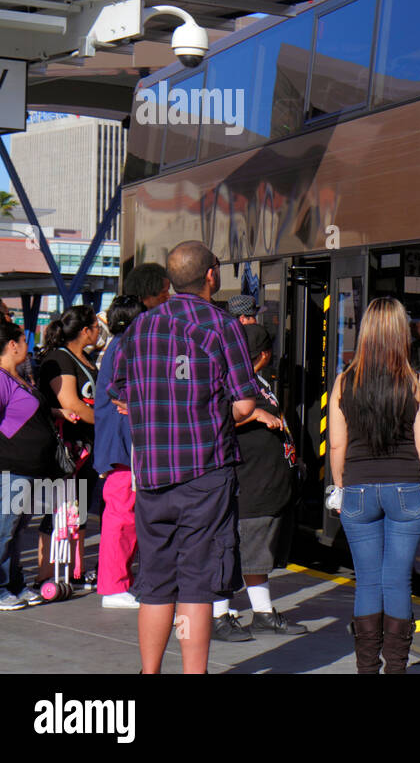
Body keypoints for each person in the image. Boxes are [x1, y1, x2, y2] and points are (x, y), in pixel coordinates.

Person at [107, 241, 263, 674]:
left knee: (155, 583)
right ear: (212, 275)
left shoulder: (139, 328)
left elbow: (119, 392)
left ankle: (149, 671)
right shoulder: (221, 326)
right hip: (205, 471)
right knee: (196, 583)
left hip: (153, 473)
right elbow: (246, 403)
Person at [328, 296, 420, 674]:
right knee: (397, 581)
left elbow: (338, 444)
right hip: (407, 491)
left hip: (358, 490)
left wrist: (341, 487)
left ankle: (366, 669)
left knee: (367, 583)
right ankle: (396, 668)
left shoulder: (344, 382)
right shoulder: (416, 382)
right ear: (400, 334)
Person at [212, 321, 307, 640]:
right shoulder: (231, 385)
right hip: (248, 487)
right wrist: (254, 415)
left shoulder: (257, 381)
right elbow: (215, 418)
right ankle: (218, 615)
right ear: (265, 354)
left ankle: (263, 613)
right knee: (234, 552)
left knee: (257, 554)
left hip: (265, 488)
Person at [0, 321, 58, 610]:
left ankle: (13, 584)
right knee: (3, 528)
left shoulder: (18, 378)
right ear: (12, 345)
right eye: (23, 340)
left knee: (14, 530)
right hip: (6, 468)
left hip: (24, 469)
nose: (28, 346)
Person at [37, 305, 102, 590]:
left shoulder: (86, 358)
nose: (100, 330)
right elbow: (70, 403)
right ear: (84, 330)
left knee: (80, 508)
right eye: (96, 326)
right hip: (66, 447)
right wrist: (106, 422)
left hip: (87, 446)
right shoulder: (59, 358)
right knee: (58, 509)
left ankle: (78, 569)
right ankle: (44, 573)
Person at [93, 295, 146, 609]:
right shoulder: (126, 345)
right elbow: (121, 388)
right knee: (122, 515)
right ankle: (113, 586)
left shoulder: (116, 343)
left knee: (121, 513)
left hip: (118, 443)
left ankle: (116, 583)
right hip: (123, 444)